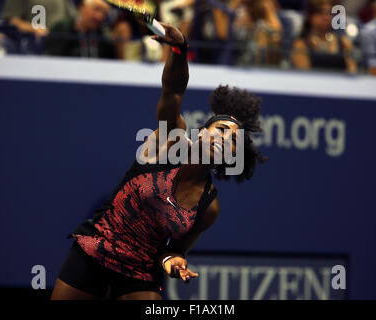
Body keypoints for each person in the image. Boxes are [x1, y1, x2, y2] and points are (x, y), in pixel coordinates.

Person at [50, 22, 267, 300]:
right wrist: (179, 49)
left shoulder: (209, 207)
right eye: (222, 130)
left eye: (234, 141)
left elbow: (174, 249)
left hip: (140, 272)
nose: (226, 140)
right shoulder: (170, 141)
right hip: (97, 247)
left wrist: (173, 262)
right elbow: (173, 91)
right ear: (202, 132)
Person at [291, 0, 357, 73]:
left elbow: (352, 72)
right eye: (320, 13)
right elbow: (304, 74)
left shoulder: (344, 43)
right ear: (310, 16)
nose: (325, 17)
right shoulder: (301, 44)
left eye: (329, 13)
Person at [43, 0, 114, 59]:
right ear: (82, 6)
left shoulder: (103, 35)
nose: (99, 16)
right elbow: (51, 59)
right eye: (96, 9)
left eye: (104, 13)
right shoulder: (62, 28)